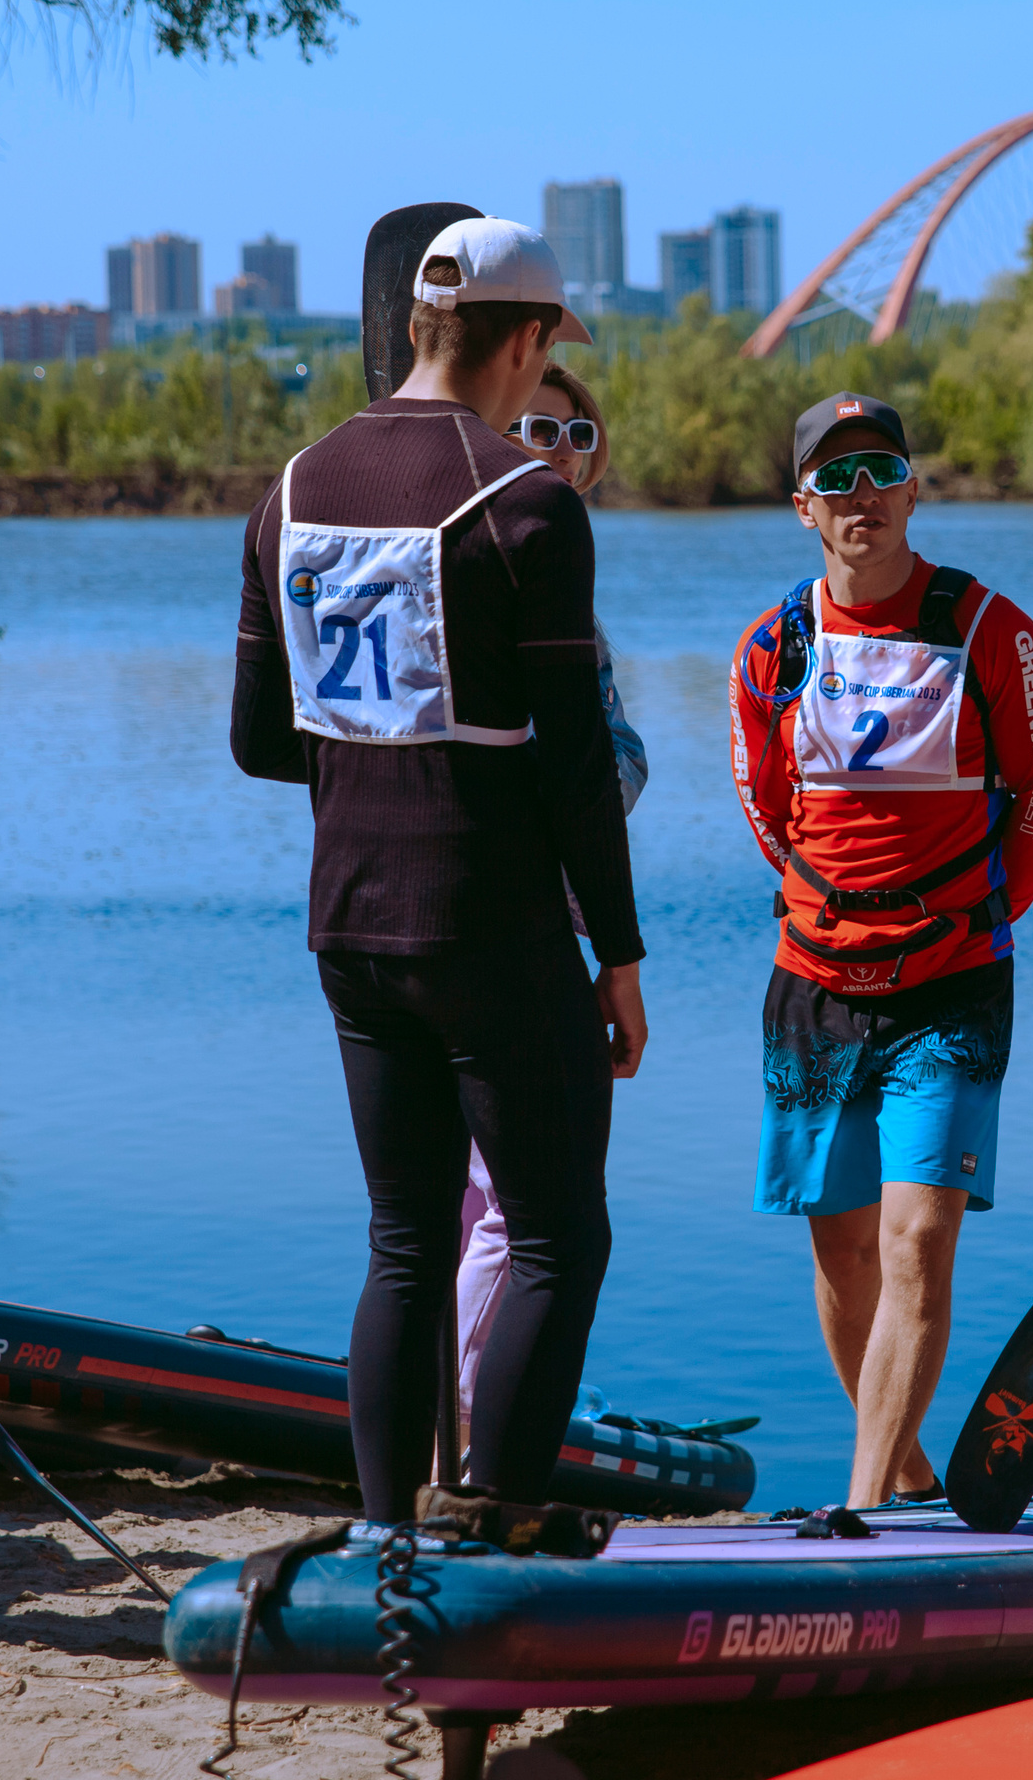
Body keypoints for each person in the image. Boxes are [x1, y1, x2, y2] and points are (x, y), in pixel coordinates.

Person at [230, 215, 647, 1526]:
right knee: (557, 1237)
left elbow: (259, 742)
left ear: (420, 325)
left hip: (350, 927)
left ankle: (386, 1536)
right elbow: (577, 772)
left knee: (405, 1243)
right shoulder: (527, 504)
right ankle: (492, 1534)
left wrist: (382, 774)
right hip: (494, 930)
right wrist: (619, 955)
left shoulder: (291, 490)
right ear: (524, 341)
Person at [729, 392, 1033, 1514]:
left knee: (917, 1240)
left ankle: (865, 1505)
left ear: (914, 490)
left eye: (880, 470)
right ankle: (910, 1470)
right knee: (841, 1254)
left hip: (952, 986)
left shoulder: (990, 630)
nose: (861, 495)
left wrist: (976, 912)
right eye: (835, 479)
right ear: (803, 508)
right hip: (814, 985)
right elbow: (765, 803)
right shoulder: (773, 646)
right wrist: (834, 907)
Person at [457, 360, 646, 1426]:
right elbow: (583, 774)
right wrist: (618, 956)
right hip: (518, 932)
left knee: (462, 1199)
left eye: (578, 434)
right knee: (528, 1213)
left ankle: (444, 1415)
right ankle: (470, 1423)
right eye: (537, 428)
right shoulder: (527, 577)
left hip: (445, 920)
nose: (562, 452)